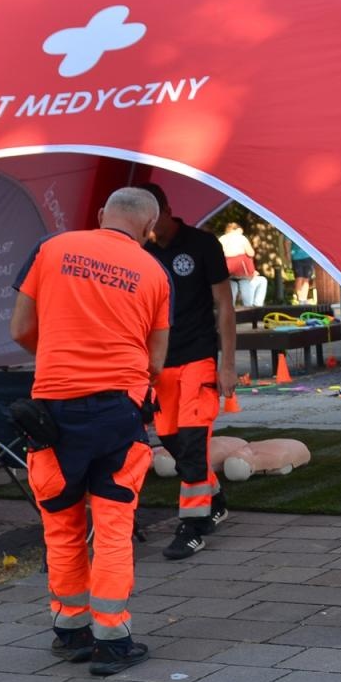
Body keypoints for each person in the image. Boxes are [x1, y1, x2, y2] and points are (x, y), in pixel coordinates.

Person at [9, 186, 170, 677]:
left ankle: (70, 629)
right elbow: (156, 361)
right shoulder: (155, 274)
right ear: (148, 229)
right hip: (118, 413)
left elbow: (20, 329)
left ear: (101, 215)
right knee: (115, 528)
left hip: (53, 411)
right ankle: (112, 641)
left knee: (61, 524)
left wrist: (60, 352)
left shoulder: (50, 250)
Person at [136, 183, 238, 561]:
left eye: (150, 218)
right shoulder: (141, 252)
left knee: (194, 442)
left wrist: (227, 365)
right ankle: (216, 499)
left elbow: (224, 307)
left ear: (164, 209)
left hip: (198, 359)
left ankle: (193, 526)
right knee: (173, 441)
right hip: (160, 366)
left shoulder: (202, 244)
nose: (146, 226)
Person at [219, 222, 258, 307]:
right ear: (237, 229)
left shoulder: (222, 238)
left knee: (231, 294)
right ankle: (248, 312)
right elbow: (251, 253)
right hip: (241, 268)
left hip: (227, 269)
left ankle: (231, 313)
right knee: (246, 292)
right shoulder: (241, 238)